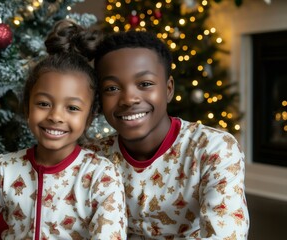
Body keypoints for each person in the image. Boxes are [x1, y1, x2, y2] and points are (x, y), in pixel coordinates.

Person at [0, 20, 127, 240]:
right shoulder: (4, 170)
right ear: (27, 109)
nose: (55, 116)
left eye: (72, 108)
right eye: (44, 104)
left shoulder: (101, 175)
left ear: (89, 118)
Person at [84, 30, 249, 239]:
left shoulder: (214, 149)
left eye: (145, 84)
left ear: (169, 89)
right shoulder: (92, 158)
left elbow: (226, 234)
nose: (128, 99)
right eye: (112, 88)